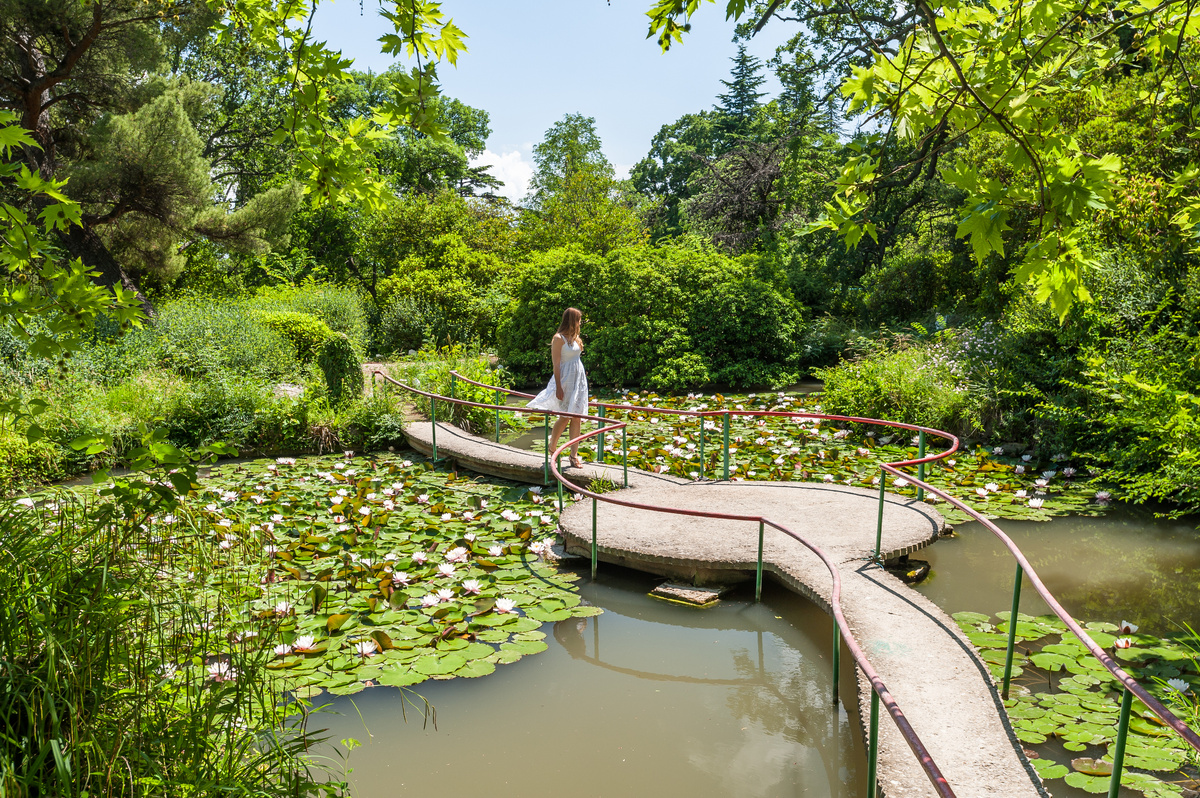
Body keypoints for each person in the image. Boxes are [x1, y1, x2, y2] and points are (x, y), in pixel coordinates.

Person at [527, 307, 589, 468]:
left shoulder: (576, 338)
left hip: (578, 381)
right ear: (572, 320)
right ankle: (552, 447)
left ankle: (573, 456)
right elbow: (556, 364)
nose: (580, 322)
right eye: (578, 320)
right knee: (565, 416)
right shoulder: (558, 338)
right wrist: (559, 387)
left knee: (577, 417)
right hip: (565, 379)